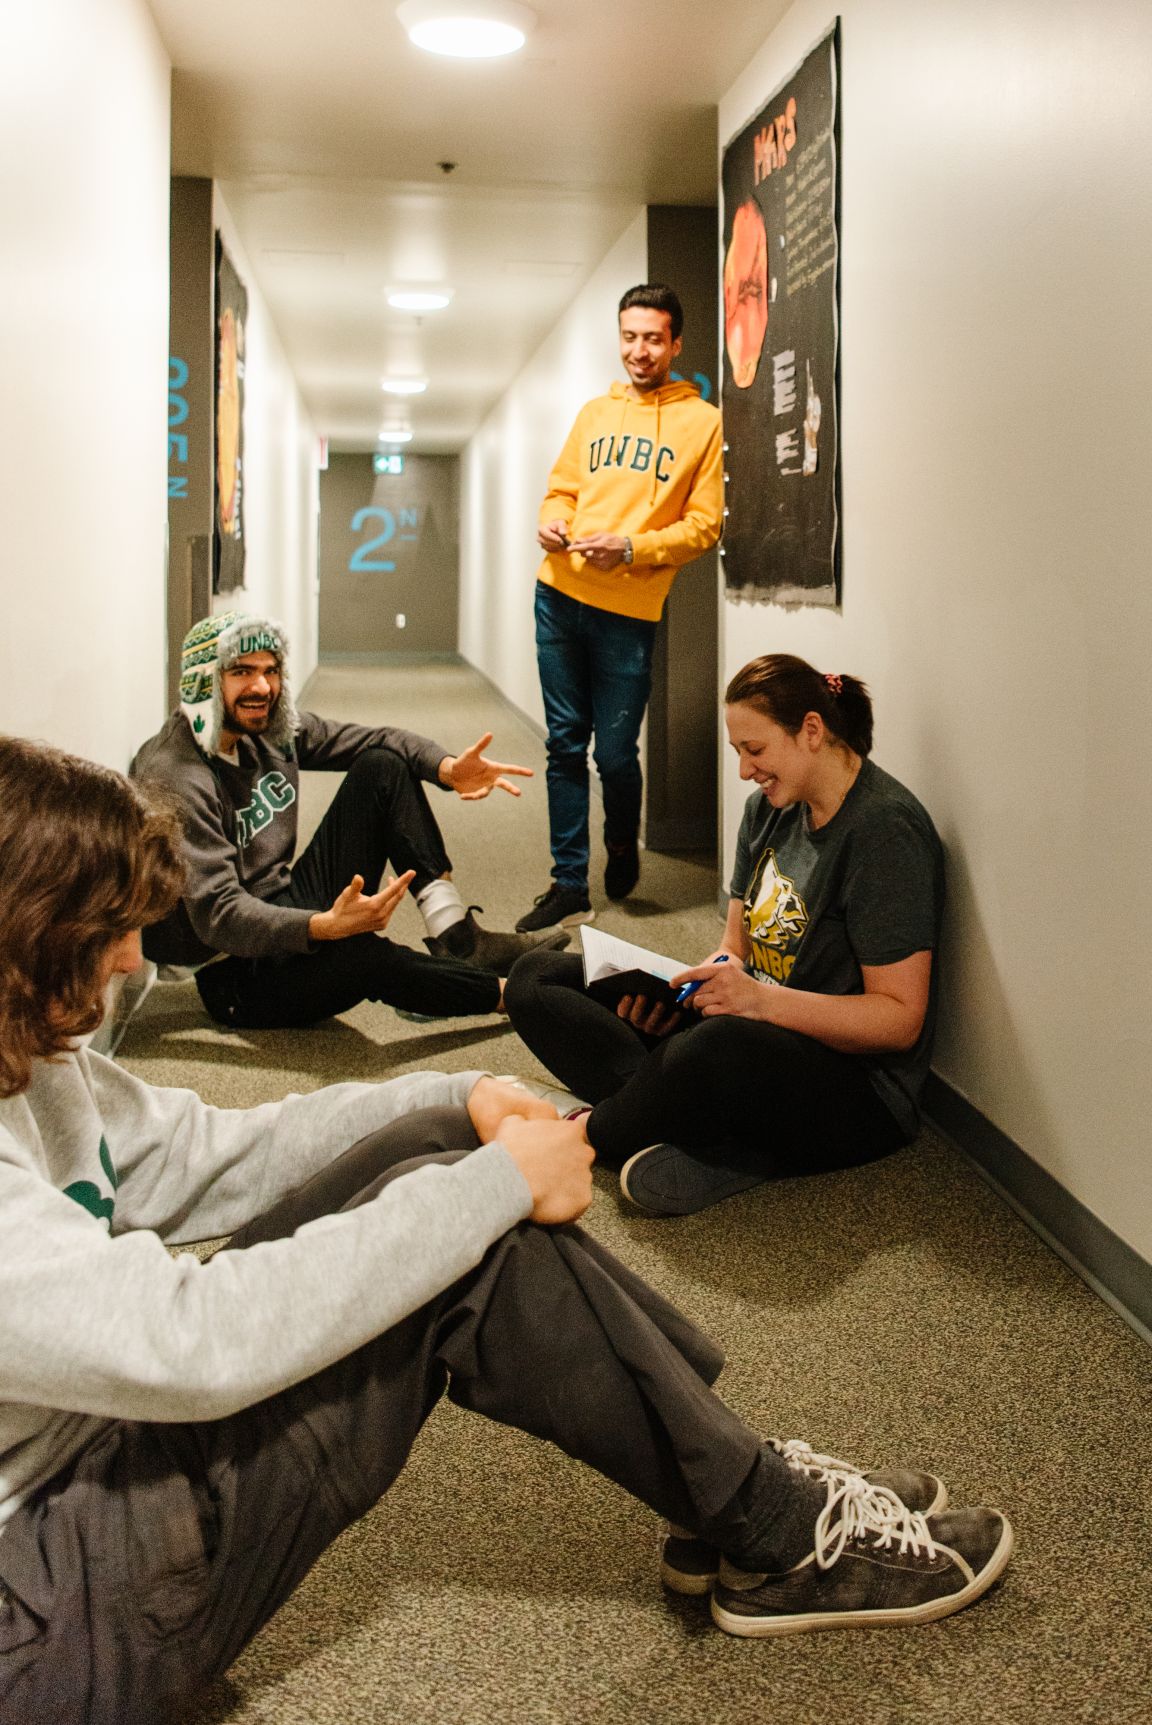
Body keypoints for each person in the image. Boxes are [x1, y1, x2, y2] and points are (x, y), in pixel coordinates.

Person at [0, 735, 1011, 1722]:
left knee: (440, 1143)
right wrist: (487, 1191)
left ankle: (730, 1480)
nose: (134, 959)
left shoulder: (38, 1057)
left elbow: (202, 1157)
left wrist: (464, 1091)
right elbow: (189, 1342)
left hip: (87, 1466)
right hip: (39, 1617)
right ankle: (767, 1519)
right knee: (465, 1249)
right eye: (105, 932)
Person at [506, 654, 945, 1217]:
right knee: (536, 978)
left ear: (812, 731)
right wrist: (693, 987)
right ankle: (683, 1126)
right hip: (747, 1030)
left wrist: (757, 1003)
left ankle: (585, 1133)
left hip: (855, 1092)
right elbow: (733, 949)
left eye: (754, 751)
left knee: (714, 1048)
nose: (744, 771)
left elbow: (899, 1021)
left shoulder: (885, 834)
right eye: (738, 752)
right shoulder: (768, 810)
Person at [131, 610, 567, 1030]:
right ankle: (518, 996)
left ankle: (458, 940)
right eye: (242, 672)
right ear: (205, 683)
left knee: (382, 766)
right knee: (361, 953)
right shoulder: (175, 775)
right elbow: (221, 916)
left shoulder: (264, 729)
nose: (262, 687)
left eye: (270, 670)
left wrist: (447, 768)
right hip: (230, 968)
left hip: (281, 901)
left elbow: (378, 739)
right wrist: (323, 927)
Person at [516, 283, 724, 934]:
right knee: (563, 744)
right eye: (630, 336)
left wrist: (631, 547)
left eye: (653, 338)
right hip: (558, 593)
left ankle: (622, 841)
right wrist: (552, 522)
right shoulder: (593, 414)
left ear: (676, 343)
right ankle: (567, 882)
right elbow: (560, 491)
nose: (639, 350)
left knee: (613, 753)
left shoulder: (703, 423)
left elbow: (705, 526)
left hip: (629, 612)